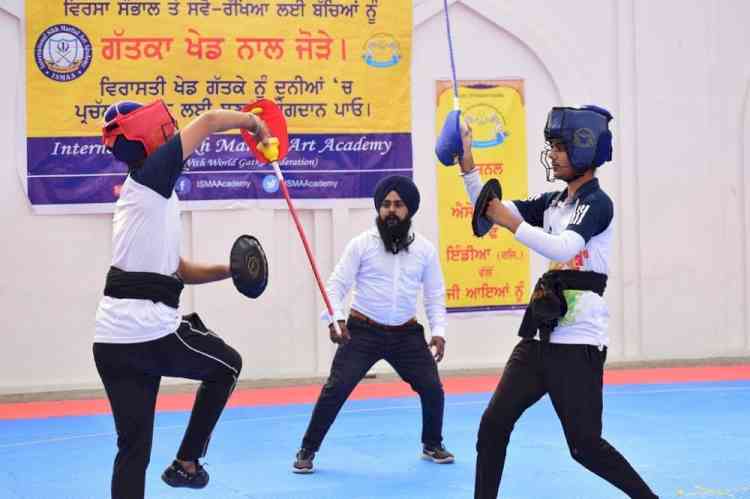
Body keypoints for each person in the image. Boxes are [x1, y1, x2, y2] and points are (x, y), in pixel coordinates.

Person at [458, 106, 659, 498]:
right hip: (539, 338)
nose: (553, 154)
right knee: (493, 423)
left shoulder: (598, 204)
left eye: (561, 147)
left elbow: (565, 246)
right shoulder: (552, 203)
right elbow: (490, 210)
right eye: (551, 146)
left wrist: (511, 222)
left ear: (584, 151)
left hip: (578, 342)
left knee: (585, 447)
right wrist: (468, 167)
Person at [93, 99, 271, 499]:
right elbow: (208, 121)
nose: (174, 133)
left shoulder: (144, 198)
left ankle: (180, 466)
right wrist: (254, 123)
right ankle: (187, 464)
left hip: (111, 342)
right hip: (149, 333)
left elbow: (177, 269)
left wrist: (230, 270)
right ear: (152, 135)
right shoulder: (153, 174)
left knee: (133, 449)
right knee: (228, 366)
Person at [292, 175, 454, 473]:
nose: (391, 210)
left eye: (398, 205)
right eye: (386, 205)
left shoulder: (425, 251)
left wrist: (439, 332)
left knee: (432, 387)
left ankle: (432, 444)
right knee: (336, 389)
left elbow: (434, 295)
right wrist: (335, 319)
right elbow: (335, 286)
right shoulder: (361, 245)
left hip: (406, 333)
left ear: (410, 210)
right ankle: (307, 449)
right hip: (363, 330)